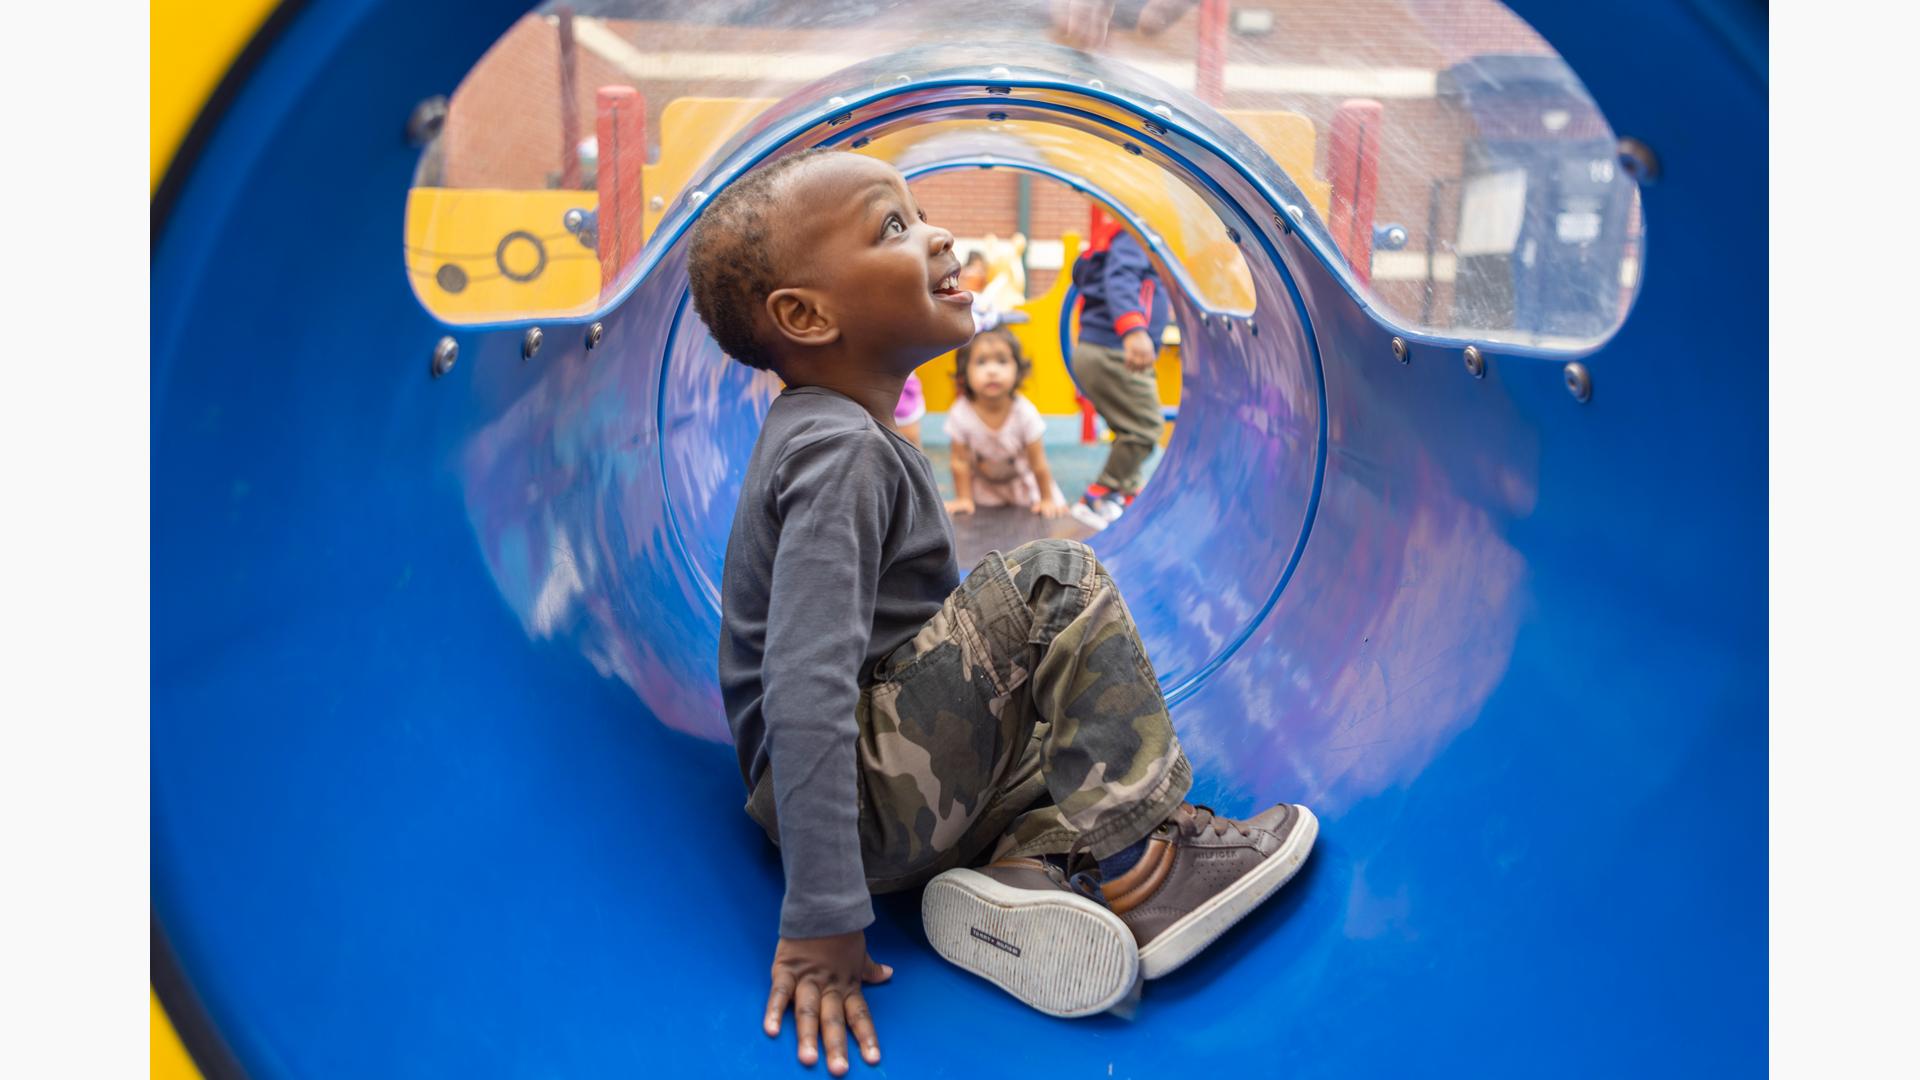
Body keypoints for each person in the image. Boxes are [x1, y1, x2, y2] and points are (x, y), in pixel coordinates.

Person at [686, 148, 1316, 1075]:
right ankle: (1146, 871)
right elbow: (802, 680)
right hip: (854, 806)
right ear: (806, 315)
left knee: (1053, 744)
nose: (935, 231)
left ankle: (1021, 874)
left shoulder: (840, 435)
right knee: (1051, 577)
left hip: (890, 801)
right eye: (892, 227)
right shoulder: (836, 454)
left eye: (920, 211)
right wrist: (822, 915)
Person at [1067, 220, 1171, 532]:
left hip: (1099, 349)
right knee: (1145, 428)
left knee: (1129, 428)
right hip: (1114, 349)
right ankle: (1097, 496)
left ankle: (1123, 495)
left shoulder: (1114, 237)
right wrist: (1133, 329)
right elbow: (1121, 278)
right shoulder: (1135, 233)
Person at [943, 328, 1066, 519]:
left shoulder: (1025, 413)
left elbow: (1038, 463)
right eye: (981, 362)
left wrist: (1047, 499)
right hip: (986, 489)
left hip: (1023, 487)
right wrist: (964, 498)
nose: (992, 371)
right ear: (964, 373)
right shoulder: (961, 413)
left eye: (1002, 361)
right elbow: (959, 461)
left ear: (1018, 370)